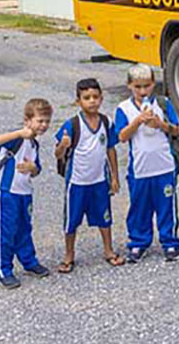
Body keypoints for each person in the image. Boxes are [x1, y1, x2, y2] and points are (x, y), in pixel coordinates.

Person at [53, 78, 124, 272]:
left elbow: (111, 149)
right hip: (76, 182)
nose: (91, 101)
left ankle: (108, 250)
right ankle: (69, 255)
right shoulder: (72, 124)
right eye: (87, 98)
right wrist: (62, 145)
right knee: (72, 220)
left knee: (105, 217)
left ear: (101, 98)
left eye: (95, 97)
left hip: (99, 180)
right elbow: (58, 154)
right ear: (78, 101)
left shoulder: (106, 122)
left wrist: (115, 177)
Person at [115, 63, 179, 263]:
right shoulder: (124, 108)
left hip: (164, 165)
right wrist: (136, 122)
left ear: (153, 84)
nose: (143, 91)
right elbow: (121, 136)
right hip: (140, 168)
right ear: (129, 86)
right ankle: (138, 242)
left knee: (166, 206)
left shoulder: (162, 104)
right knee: (139, 207)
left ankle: (170, 241)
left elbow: (176, 130)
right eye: (138, 87)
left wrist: (160, 124)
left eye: (146, 86)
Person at [0, 98, 52, 289]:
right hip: (6, 192)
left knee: (25, 228)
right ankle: (3, 269)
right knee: (6, 231)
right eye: (40, 121)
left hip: (25, 192)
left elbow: (37, 169)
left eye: (47, 121)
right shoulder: (16, 139)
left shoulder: (34, 144)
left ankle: (29, 261)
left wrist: (33, 168)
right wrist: (18, 133)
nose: (44, 125)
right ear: (27, 120)